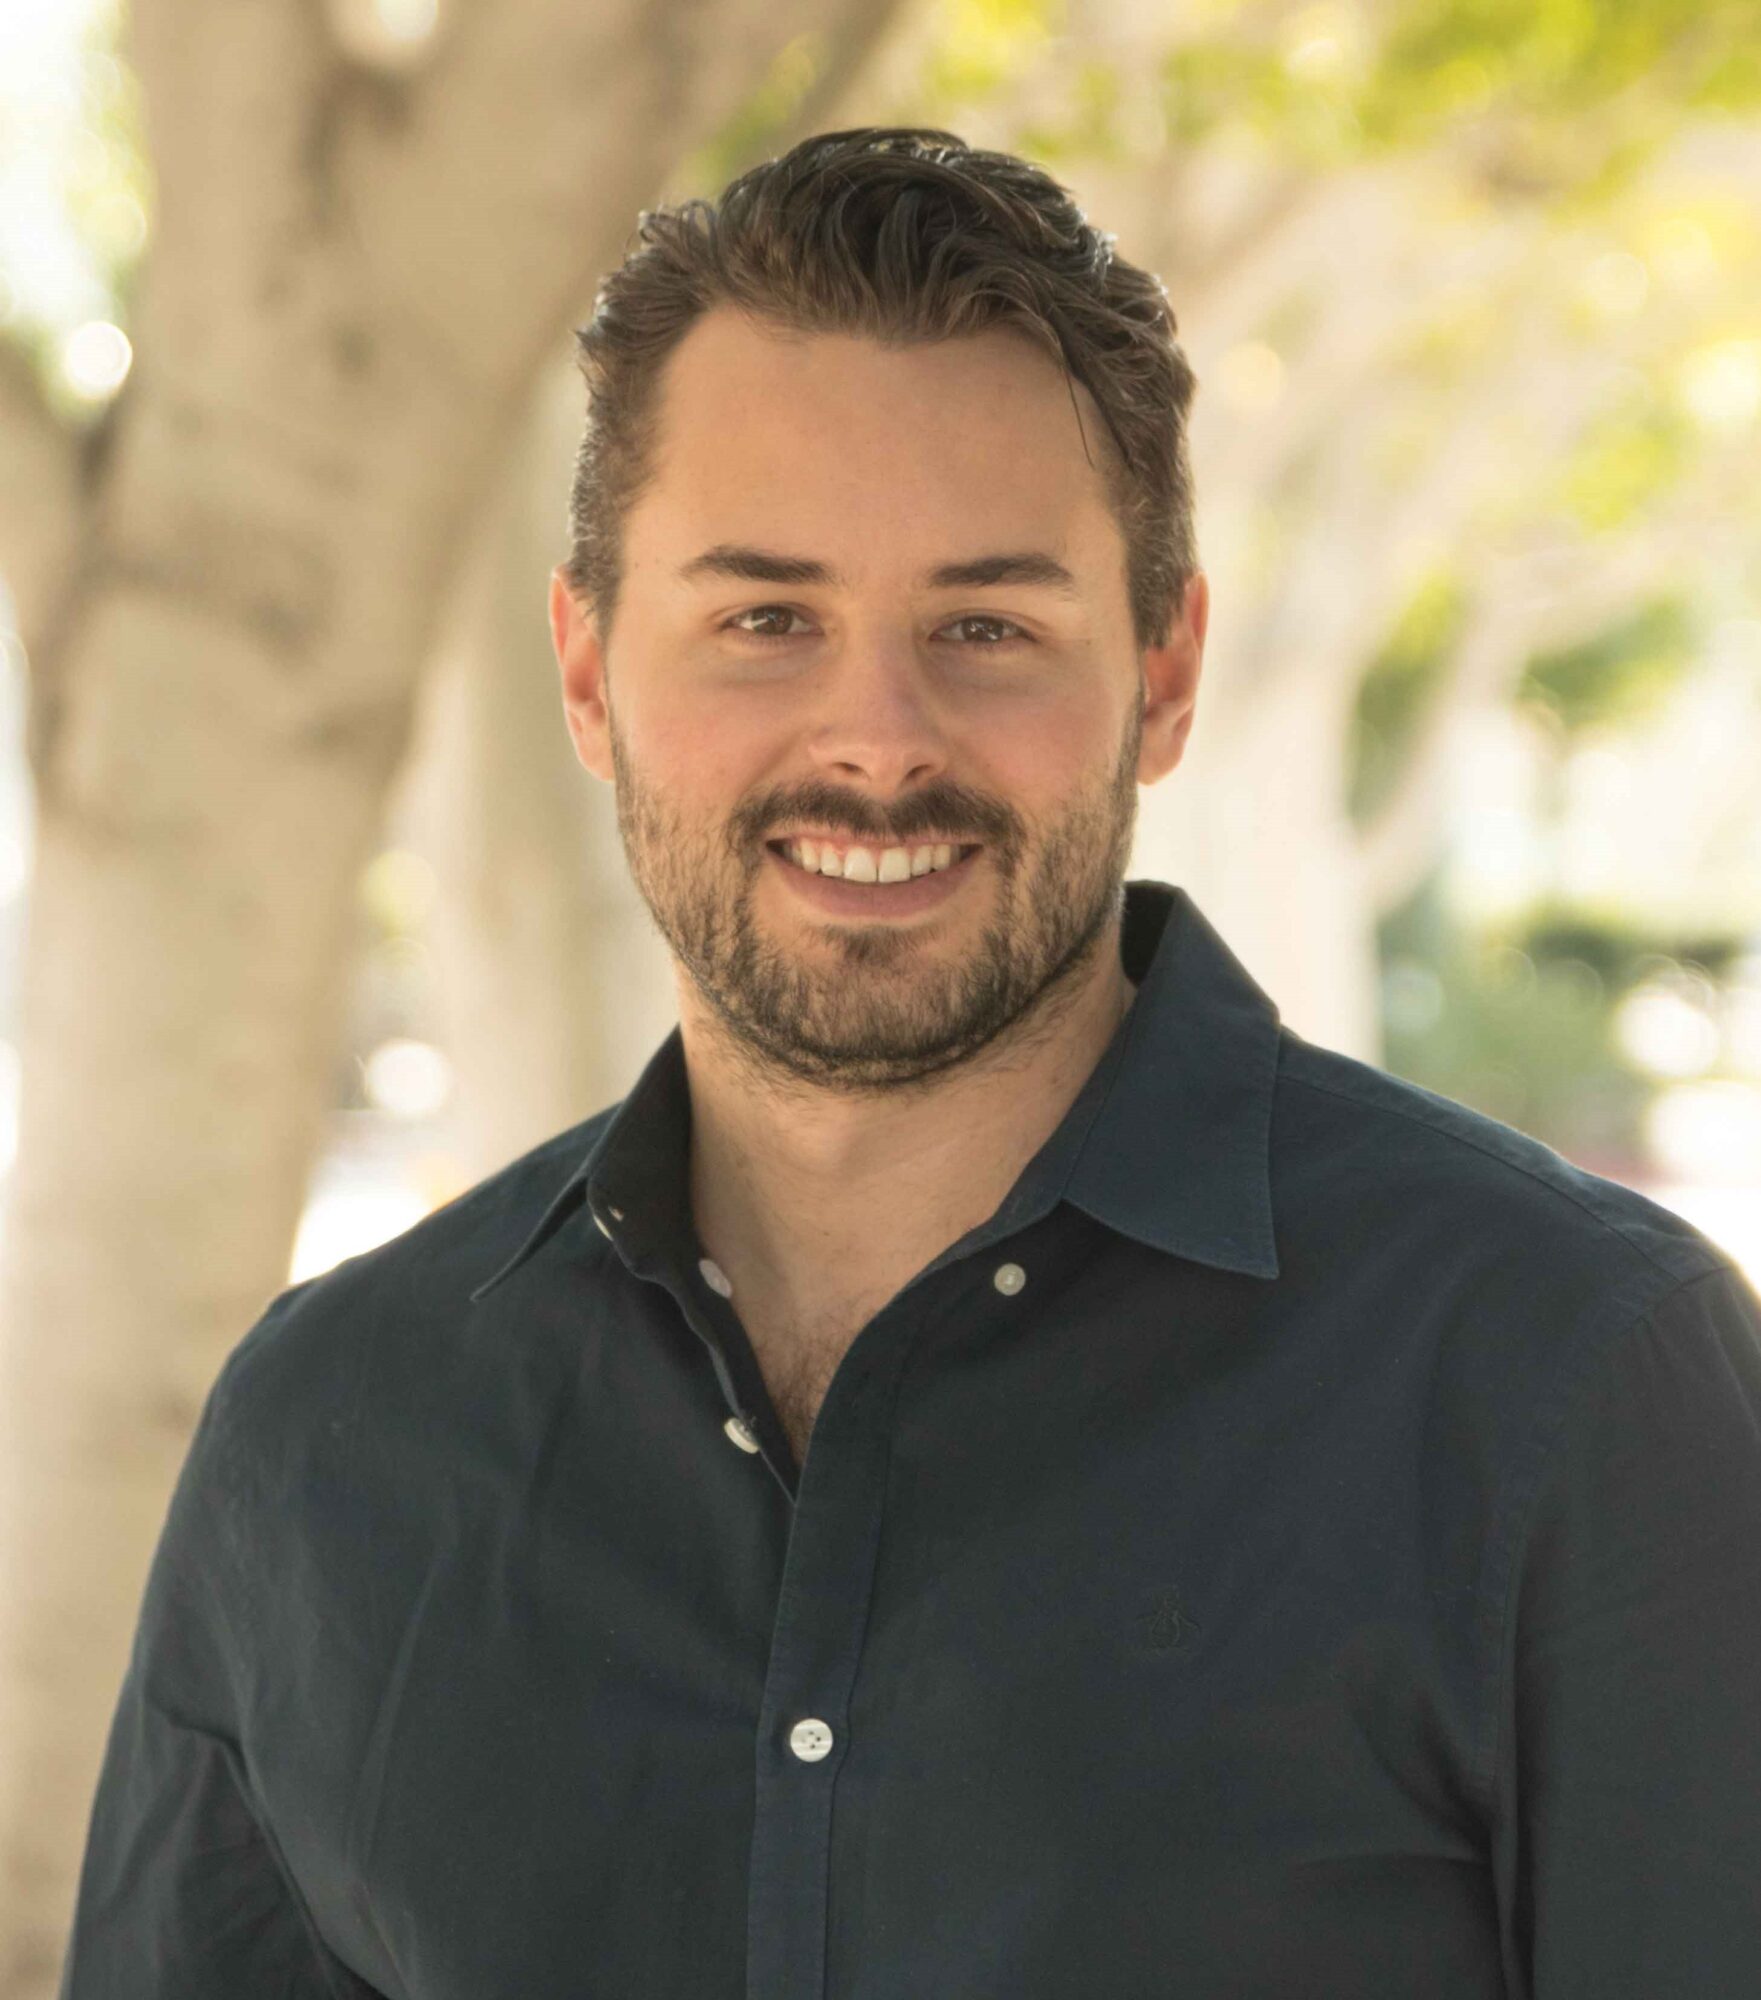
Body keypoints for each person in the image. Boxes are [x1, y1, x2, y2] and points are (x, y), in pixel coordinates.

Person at [60, 127, 1761, 1999]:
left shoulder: (1568, 1381)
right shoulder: (326, 1436)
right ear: (586, 671)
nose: (875, 740)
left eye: (985, 625)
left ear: (1164, 673)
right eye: (764, 619)